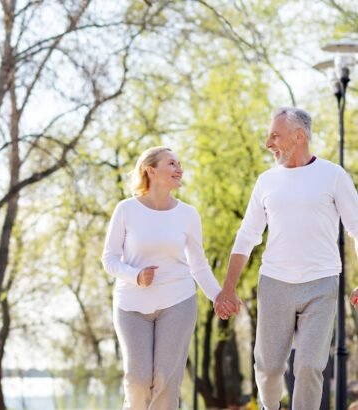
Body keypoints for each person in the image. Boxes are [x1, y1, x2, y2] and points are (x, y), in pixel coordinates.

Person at [214, 107, 358, 410]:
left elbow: (357, 228)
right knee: (267, 369)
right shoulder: (266, 181)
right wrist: (227, 288)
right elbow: (246, 235)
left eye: (275, 135)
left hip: (321, 284)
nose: (268, 143)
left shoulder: (333, 176)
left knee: (308, 367)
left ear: (299, 136)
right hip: (275, 284)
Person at [101, 146, 222, 410]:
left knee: (166, 382)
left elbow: (199, 265)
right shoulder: (126, 210)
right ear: (151, 171)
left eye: (179, 163)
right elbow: (109, 259)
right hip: (131, 306)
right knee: (137, 381)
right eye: (171, 164)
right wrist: (136, 276)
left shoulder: (188, 214)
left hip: (177, 301)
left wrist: (218, 297)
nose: (179, 169)